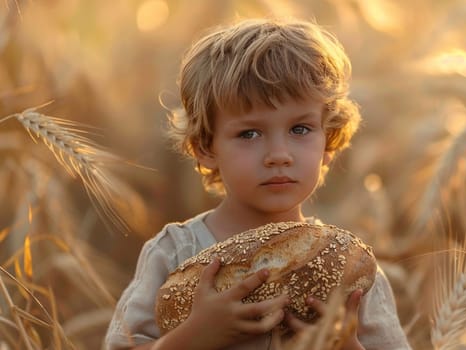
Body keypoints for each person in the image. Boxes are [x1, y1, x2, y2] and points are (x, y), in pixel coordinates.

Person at [104, 17, 411, 350]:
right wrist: (193, 337)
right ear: (205, 148)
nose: (278, 155)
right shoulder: (173, 254)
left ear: (329, 142)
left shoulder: (348, 266)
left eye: (300, 129)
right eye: (249, 133)